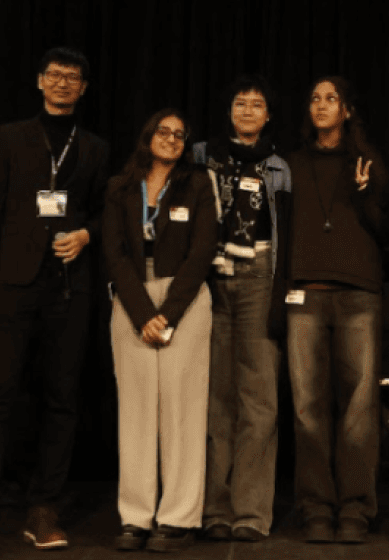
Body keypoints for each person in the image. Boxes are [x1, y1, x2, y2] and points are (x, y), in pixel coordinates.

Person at [0, 48, 110, 559]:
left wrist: (86, 234)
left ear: (84, 88)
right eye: (56, 75)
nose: (64, 83)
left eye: (73, 76)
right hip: (12, 283)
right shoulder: (11, 136)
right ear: (40, 81)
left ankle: (44, 509)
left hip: (69, 286)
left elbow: (105, 213)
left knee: (61, 400)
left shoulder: (95, 147)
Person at [279, 75, 389, 544]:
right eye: (315, 99)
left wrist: (364, 193)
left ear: (346, 110)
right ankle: (316, 507)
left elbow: (387, 232)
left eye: (331, 99)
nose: (321, 105)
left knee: (359, 407)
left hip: (358, 294)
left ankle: (357, 508)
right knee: (307, 409)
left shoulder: (367, 162)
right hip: (305, 293)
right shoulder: (290, 164)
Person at [102, 109, 219, 552]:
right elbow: (114, 253)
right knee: (135, 412)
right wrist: (141, 312)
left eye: (179, 135)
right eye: (163, 132)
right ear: (148, 136)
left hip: (184, 301)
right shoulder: (119, 186)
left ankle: (177, 518)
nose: (171, 139)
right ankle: (135, 517)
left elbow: (203, 251)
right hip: (132, 297)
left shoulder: (198, 183)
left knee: (182, 410)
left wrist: (167, 314)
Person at [193, 76, 291, 542]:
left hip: (259, 274)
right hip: (209, 276)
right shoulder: (201, 156)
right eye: (240, 103)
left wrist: (281, 293)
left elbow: (288, 233)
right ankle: (214, 508)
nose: (248, 110)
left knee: (258, 398)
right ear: (229, 111)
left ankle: (250, 512)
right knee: (215, 396)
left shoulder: (279, 166)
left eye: (257, 104)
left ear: (268, 115)